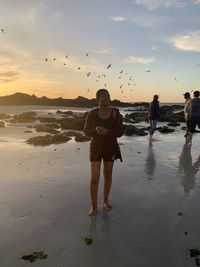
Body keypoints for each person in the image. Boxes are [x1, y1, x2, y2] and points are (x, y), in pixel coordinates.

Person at [84, 89, 123, 216]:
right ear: (98, 99)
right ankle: (94, 206)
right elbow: (86, 131)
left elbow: (120, 132)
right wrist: (95, 131)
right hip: (95, 147)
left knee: (108, 175)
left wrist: (107, 132)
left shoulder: (115, 113)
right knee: (94, 178)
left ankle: (105, 201)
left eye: (107, 96)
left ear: (110, 98)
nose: (105, 98)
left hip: (110, 147)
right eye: (102, 96)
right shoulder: (92, 114)